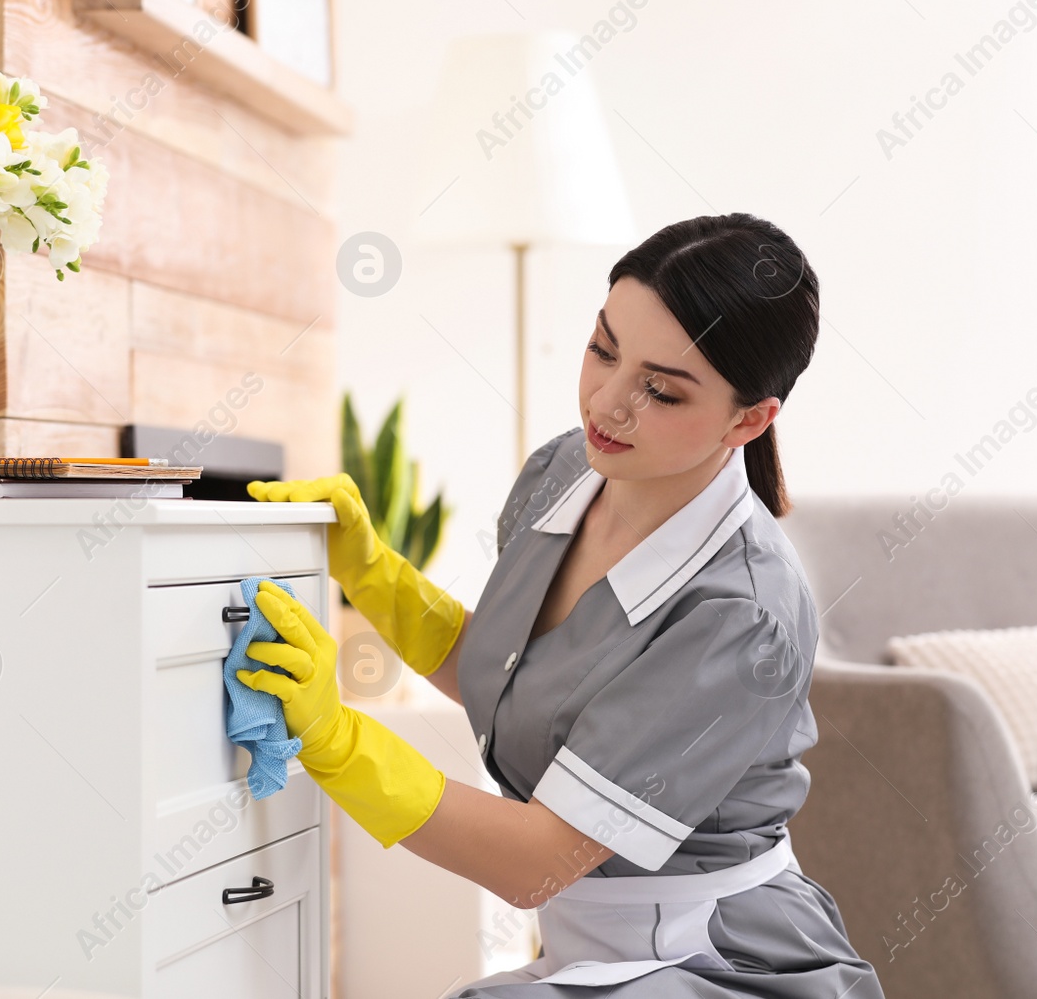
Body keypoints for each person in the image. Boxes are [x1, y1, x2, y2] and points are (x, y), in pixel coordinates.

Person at [242, 212, 885, 997]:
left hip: (719, 960)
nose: (607, 405)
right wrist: (374, 574)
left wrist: (340, 740)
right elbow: (519, 678)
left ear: (748, 419)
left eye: (660, 390)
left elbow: (535, 861)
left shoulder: (743, 612)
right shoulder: (563, 471)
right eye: (603, 349)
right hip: (592, 948)